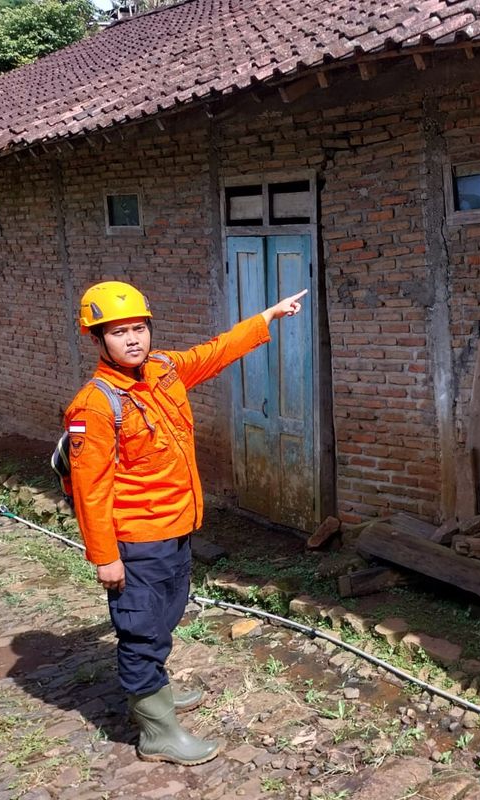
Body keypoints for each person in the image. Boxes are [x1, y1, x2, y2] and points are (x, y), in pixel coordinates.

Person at [64, 280, 307, 765]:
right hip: (137, 540)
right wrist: (105, 557)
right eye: (118, 332)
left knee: (167, 616)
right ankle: (156, 733)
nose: (132, 339)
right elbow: (91, 490)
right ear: (98, 340)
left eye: (138, 328)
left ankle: (157, 696)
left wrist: (267, 318)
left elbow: (214, 352)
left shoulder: (164, 371)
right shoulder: (95, 405)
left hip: (177, 527)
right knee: (141, 631)